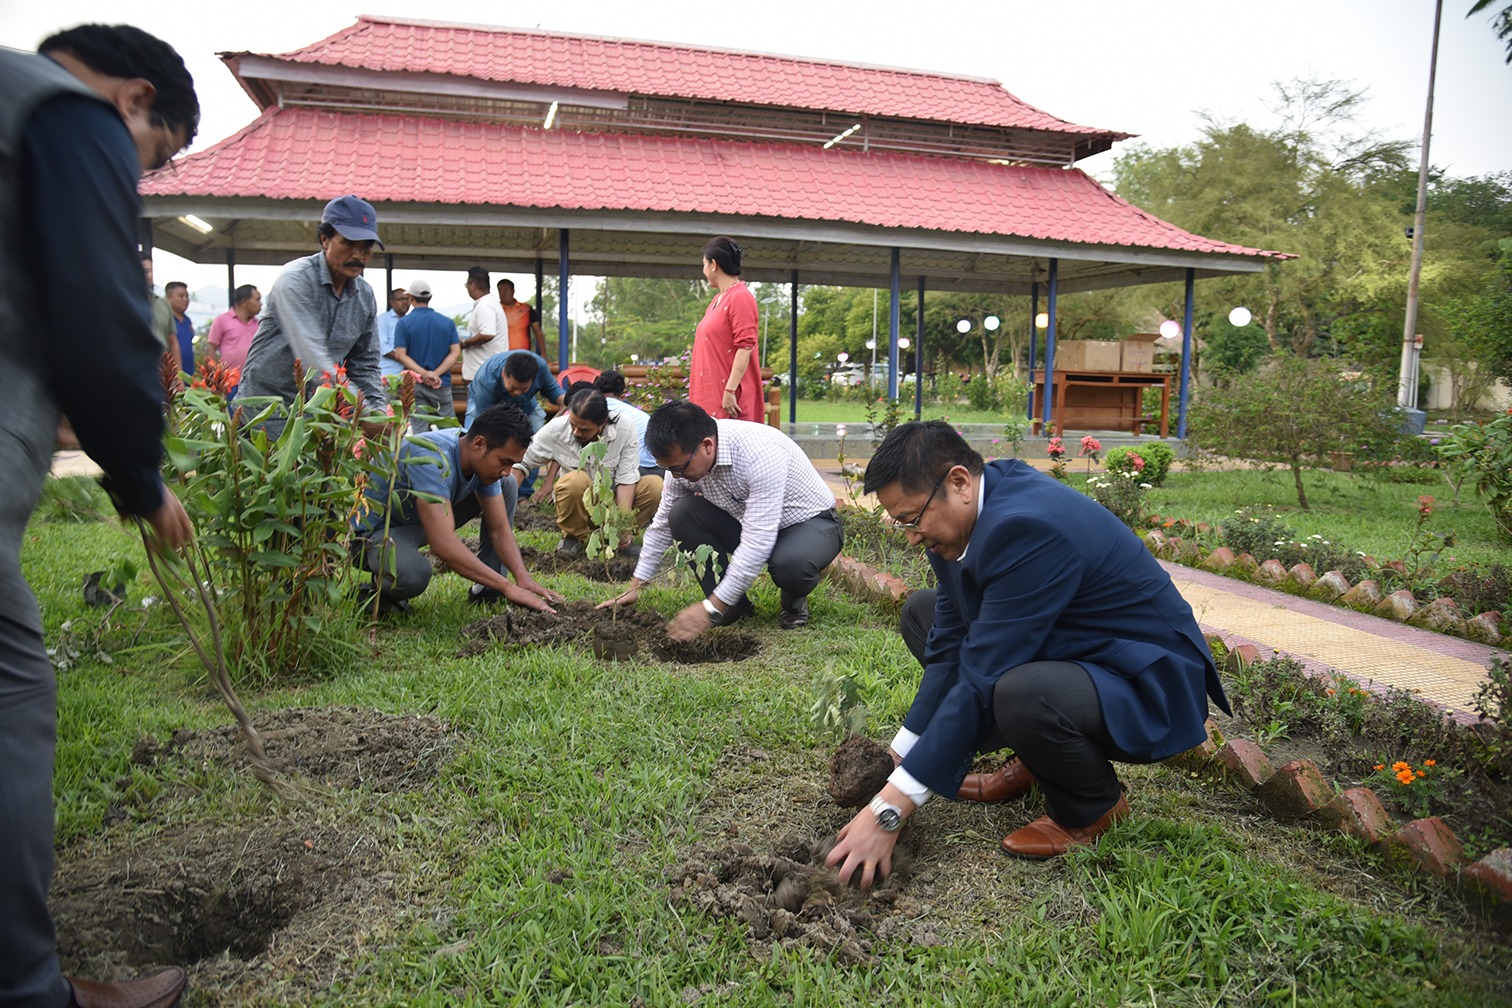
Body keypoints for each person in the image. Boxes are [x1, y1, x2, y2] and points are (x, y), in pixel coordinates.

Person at [1, 22, 198, 1008]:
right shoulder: (67, 111)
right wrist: (139, 477)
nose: (138, 173)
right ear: (132, 100)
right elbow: (100, 305)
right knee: (10, 692)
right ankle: (30, 987)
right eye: (153, 157)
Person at [825, 421, 1230, 889]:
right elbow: (952, 649)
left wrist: (888, 812)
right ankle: (1038, 761)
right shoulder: (963, 517)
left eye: (913, 518)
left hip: (1145, 678)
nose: (912, 537)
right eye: (901, 523)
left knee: (1020, 693)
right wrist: (901, 756)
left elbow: (982, 673)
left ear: (958, 481)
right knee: (924, 614)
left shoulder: (1027, 526)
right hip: (1074, 646)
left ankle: (1092, 807)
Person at [599, 401, 841, 636]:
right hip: (749, 522)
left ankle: (792, 597)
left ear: (707, 445)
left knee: (791, 566)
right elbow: (661, 525)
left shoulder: (760, 453)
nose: (675, 475)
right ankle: (733, 607)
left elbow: (758, 540)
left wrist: (710, 607)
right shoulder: (682, 464)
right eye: (669, 469)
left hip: (810, 523)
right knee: (681, 514)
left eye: (679, 468)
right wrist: (636, 587)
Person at [352, 403, 563, 613]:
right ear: (479, 444)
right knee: (412, 575)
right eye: (504, 461)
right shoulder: (432, 458)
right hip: (373, 538)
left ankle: (488, 588)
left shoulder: (470, 447)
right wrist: (507, 587)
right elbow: (442, 544)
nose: (507, 471)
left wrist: (522, 578)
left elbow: (499, 529)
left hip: (414, 523)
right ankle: (375, 593)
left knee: (506, 486)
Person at [236, 195, 387, 428]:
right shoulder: (295, 280)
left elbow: (365, 364)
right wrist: (363, 413)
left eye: (366, 246)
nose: (359, 255)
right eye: (348, 243)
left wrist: (377, 412)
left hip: (320, 413)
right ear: (325, 239)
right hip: (266, 411)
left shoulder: (364, 297)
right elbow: (313, 360)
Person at [514, 387, 662, 556]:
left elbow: (626, 478)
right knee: (573, 481)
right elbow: (521, 462)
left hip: (611, 503)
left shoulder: (625, 428)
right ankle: (573, 537)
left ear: (602, 423)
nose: (577, 432)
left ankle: (616, 540)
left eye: (584, 429)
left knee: (655, 486)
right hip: (580, 506)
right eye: (573, 425)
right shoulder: (556, 429)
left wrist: (622, 525)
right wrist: (507, 504)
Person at [690, 236, 762, 422]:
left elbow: (745, 347)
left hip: (729, 399)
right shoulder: (718, 300)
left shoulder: (740, 297)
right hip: (711, 395)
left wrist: (729, 390)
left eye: (704, 264)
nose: (703, 270)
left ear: (713, 265)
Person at [390, 278, 459, 433]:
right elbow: (455, 352)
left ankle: (423, 457)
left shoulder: (404, 323)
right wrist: (435, 374)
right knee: (449, 431)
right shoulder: (447, 323)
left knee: (420, 432)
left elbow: (401, 355)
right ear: (430, 298)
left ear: (411, 299)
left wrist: (424, 374)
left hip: (416, 384)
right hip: (442, 383)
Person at [464, 349, 564, 430]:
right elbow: (486, 418)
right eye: (513, 387)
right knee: (476, 435)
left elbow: (553, 390)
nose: (517, 392)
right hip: (484, 406)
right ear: (503, 374)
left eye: (524, 388)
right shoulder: (486, 379)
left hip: (525, 403)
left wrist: (567, 400)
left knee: (537, 438)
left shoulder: (540, 367)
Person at [594, 370, 661, 477]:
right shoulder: (640, 414)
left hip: (632, 468)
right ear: (622, 396)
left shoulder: (596, 411)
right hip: (656, 468)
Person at [205, 283, 260, 398]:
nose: (261, 304)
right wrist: (215, 377)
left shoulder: (259, 324)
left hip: (254, 383)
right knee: (231, 415)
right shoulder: (221, 321)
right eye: (257, 299)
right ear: (245, 302)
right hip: (230, 383)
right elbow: (211, 348)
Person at [140, 253, 181, 381]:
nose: (145, 275)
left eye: (148, 271)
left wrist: (178, 378)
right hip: (135, 374)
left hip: (161, 377)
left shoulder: (163, 303)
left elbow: (173, 341)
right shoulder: (121, 302)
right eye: (140, 270)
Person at [459, 266, 504, 382]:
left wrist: (464, 343)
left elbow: (487, 334)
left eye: (467, 285)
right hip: (484, 373)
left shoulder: (485, 305)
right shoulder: (488, 303)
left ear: (473, 285)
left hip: (483, 375)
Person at [497, 277, 547, 358]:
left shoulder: (526, 309)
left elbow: (538, 332)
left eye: (506, 290)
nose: (503, 293)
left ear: (513, 291)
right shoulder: (496, 309)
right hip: (501, 356)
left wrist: (543, 354)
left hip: (523, 356)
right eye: (500, 291)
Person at [375, 286, 411, 380]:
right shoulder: (383, 320)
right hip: (388, 375)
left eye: (407, 299)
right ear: (392, 302)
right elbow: (383, 347)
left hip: (407, 377)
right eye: (401, 299)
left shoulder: (410, 321)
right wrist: (405, 359)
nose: (405, 302)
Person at [165, 280, 194, 376]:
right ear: (168, 297)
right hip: (171, 377)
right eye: (181, 296)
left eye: (187, 296)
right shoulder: (165, 320)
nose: (185, 299)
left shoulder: (187, 321)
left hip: (188, 375)